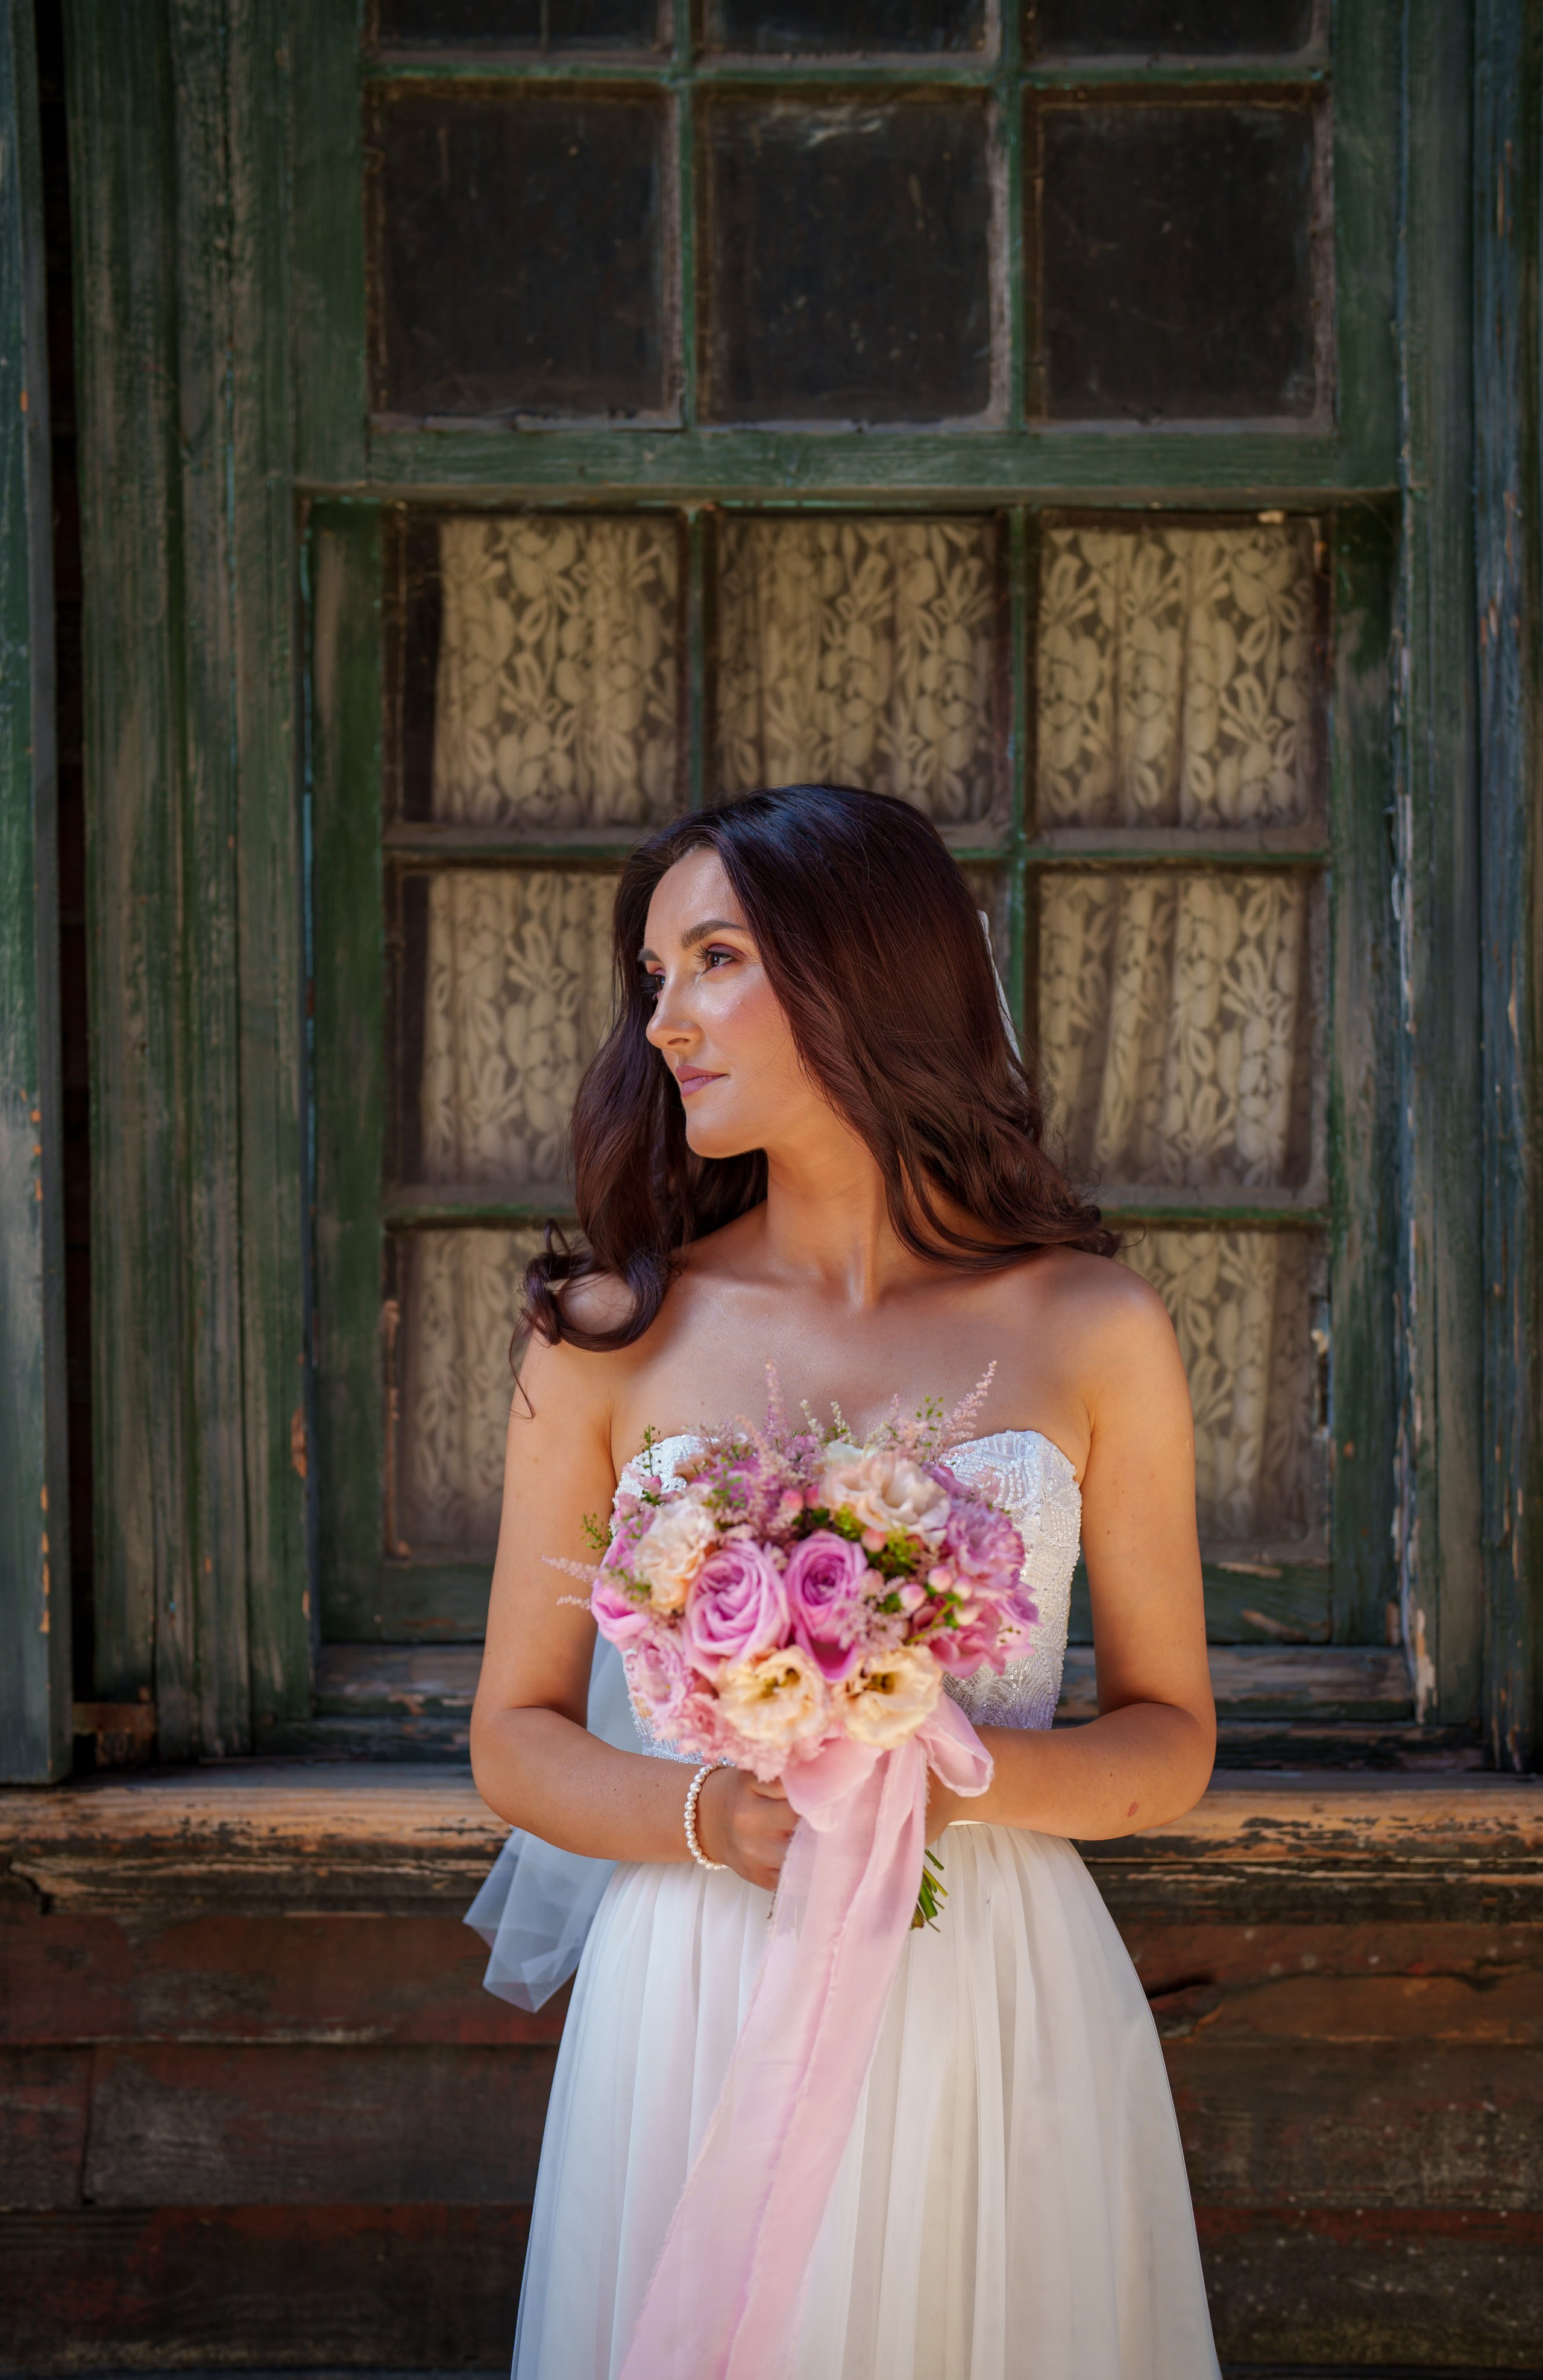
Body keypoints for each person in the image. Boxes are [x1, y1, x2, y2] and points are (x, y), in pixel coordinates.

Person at [469, 783, 1221, 2379]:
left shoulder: (1098, 1328)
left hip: (988, 1985)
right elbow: (514, 1737)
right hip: (698, 1983)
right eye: (655, 977)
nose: (664, 1020)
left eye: (715, 959)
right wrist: (711, 1818)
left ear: (860, 973)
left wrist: (954, 1776)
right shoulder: (608, 1334)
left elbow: (1172, 1738)